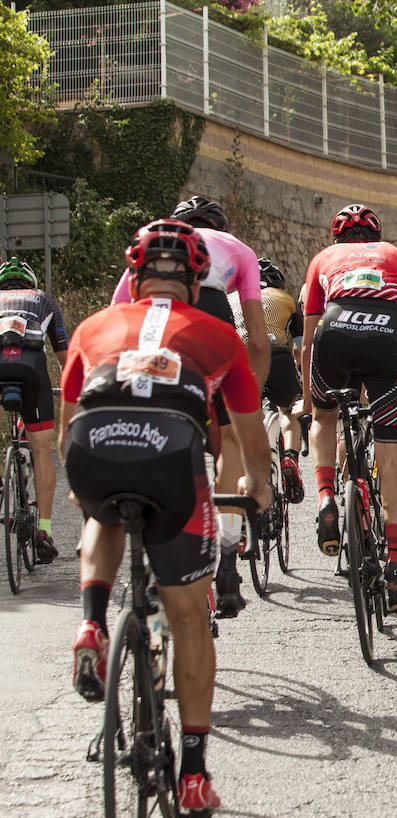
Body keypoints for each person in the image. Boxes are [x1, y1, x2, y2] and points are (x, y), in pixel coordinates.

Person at [62, 219, 271, 810]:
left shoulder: (92, 326)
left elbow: (69, 424)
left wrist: (82, 492)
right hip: (174, 463)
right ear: (199, 278)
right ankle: (195, 775)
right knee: (187, 618)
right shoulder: (218, 334)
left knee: (101, 507)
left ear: (133, 274)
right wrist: (256, 490)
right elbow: (251, 443)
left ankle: (93, 621)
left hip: (93, 451)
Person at [110, 195, 269, 618]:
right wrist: (247, 398)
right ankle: (229, 566)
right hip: (212, 311)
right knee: (231, 446)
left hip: (149, 324)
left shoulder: (157, 242)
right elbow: (257, 336)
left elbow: (113, 321)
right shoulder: (239, 250)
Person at [301, 204, 397, 613]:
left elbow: (308, 339)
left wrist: (309, 401)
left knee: (325, 417)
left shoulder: (323, 259)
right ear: (376, 236)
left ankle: (327, 498)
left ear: (338, 240)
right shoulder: (395, 255)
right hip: (384, 338)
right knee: (390, 458)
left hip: (334, 334)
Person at [0, 257, 68, 564]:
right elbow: (65, 357)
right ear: (31, 285)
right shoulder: (44, 301)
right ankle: (43, 531)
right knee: (42, 450)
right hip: (33, 371)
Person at [254, 257, 306, 502]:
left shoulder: (232, 298)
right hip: (278, 358)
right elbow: (299, 348)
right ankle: (289, 457)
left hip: (244, 361)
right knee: (290, 413)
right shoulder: (287, 300)